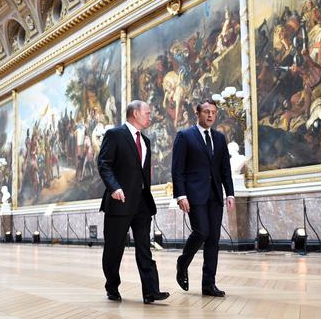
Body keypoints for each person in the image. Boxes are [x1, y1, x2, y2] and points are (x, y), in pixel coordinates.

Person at [97, 100, 169, 304]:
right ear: (135, 113)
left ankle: (151, 291)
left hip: (141, 204)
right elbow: (104, 164)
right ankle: (112, 286)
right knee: (114, 248)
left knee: (145, 247)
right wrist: (114, 187)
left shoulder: (146, 141)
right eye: (147, 113)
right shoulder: (114, 134)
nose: (150, 116)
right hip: (119, 201)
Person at [172, 99, 235, 297]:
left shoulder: (219, 138)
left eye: (213, 113)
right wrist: (181, 195)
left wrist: (230, 193)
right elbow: (177, 169)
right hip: (194, 194)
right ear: (197, 114)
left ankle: (208, 284)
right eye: (206, 112)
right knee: (201, 231)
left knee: (213, 240)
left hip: (215, 194)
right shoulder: (184, 136)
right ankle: (183, 263)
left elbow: (225, 169)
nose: (210, 115)